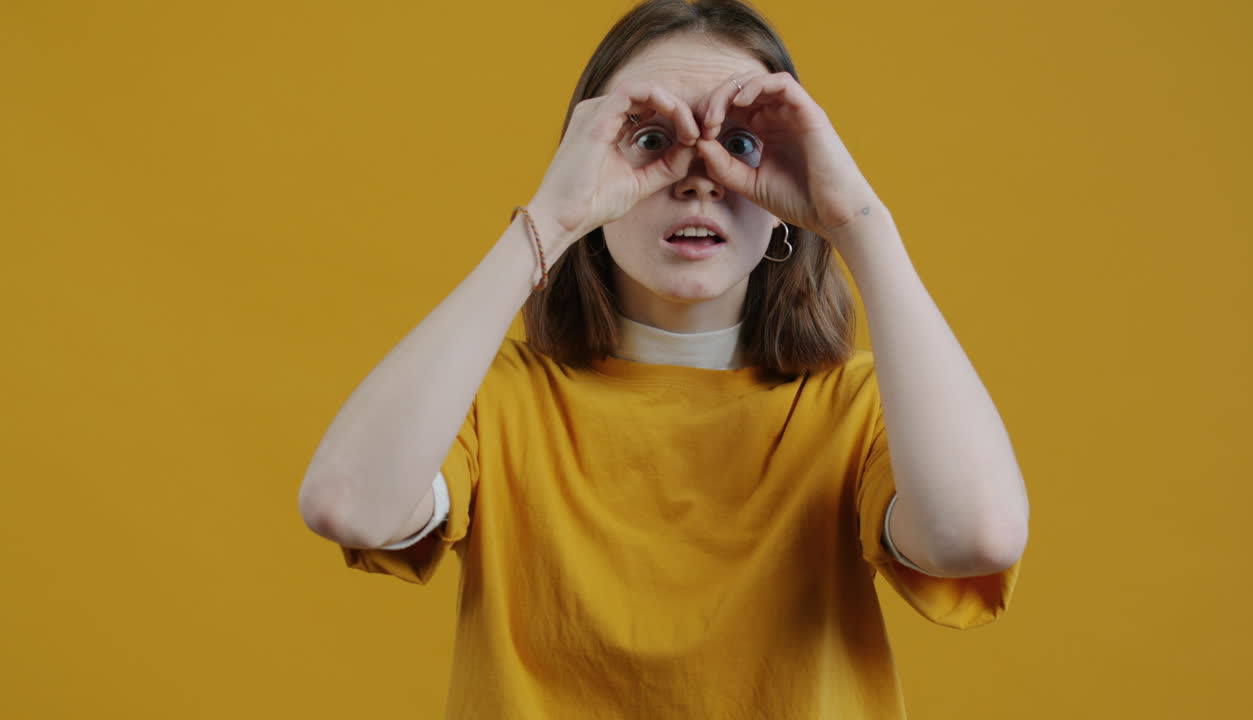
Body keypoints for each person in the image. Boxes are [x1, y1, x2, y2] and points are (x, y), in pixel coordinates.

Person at [297, 0, 1029, 716]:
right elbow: (349, 506)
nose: (698, 177)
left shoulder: (857, 408)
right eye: (650, 140)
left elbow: (973, 536)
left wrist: (857, 224)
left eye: (741, 145)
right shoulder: (498, 399)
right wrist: (550, 220)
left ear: (785, 204)